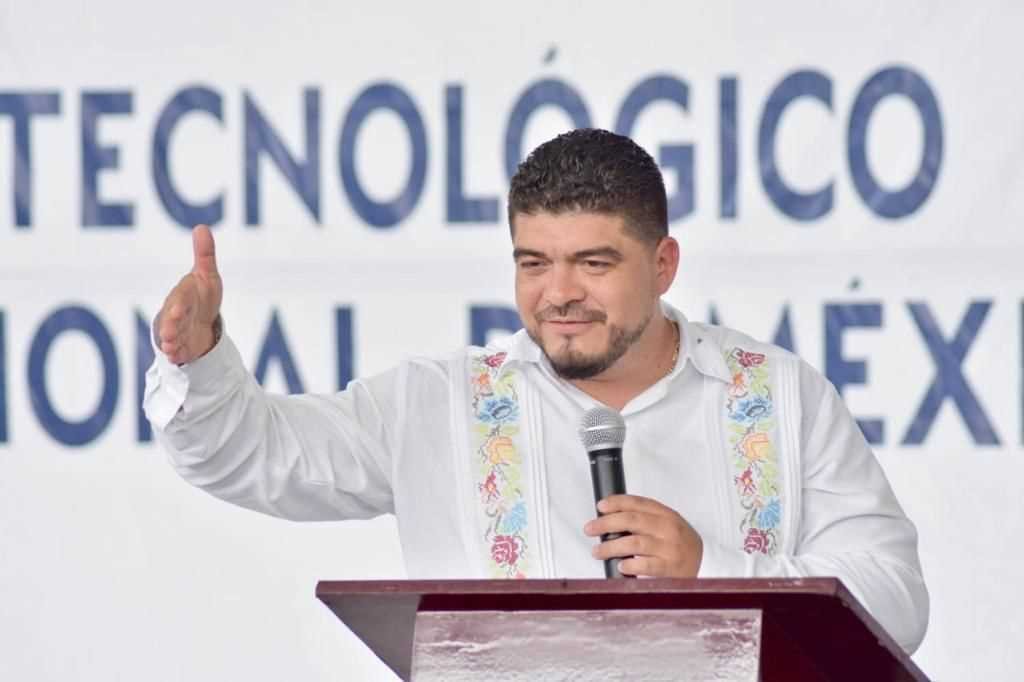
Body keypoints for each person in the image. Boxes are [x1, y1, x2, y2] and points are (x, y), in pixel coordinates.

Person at [144, 128, 928, 652]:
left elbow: (895, 601)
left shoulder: (778, 395)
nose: (560, 295)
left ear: (663, 265)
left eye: (594, 263)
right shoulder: (439, 406)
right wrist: (201, 358)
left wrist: (713, 570)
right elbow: (251, 456)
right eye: (533, 264)